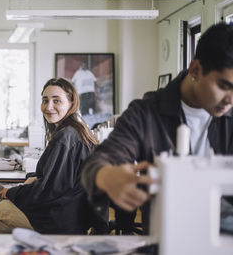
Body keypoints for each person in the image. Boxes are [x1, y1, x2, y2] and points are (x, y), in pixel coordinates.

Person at [81, 22, 233, 234]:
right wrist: (107, 176)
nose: (230, 100)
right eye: (225, 86)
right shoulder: (146, 114)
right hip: (167, 238)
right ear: (196, 70)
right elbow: (96, 163)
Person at [0, 78, 98, 234]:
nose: (49, 107)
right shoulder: (77, 131)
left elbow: (49, 191)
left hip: (59, 218)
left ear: (71, 103)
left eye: (57, 101)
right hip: (73, 216)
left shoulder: (65, 137)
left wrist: (10, 192)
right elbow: (60, 178)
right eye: (45, 100)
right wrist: (35, 177)